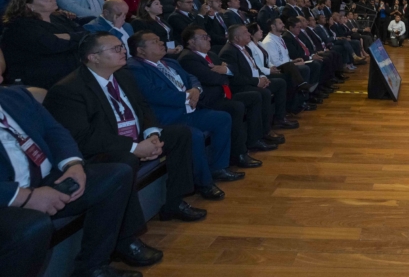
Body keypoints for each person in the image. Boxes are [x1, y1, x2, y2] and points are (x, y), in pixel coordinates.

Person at [44, 33, 205, 225]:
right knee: (125, 159)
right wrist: (135, 148)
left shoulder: (123, 75)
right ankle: (128, 236)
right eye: (116, 49)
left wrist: (152, 134)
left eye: (122, 47)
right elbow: (84, 138)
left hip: (134, 137)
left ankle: (175, 202)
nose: (123, 52)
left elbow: (142, 107)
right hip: (104, 148)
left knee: (180, 134)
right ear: (93, 57)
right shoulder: (68, 89)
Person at [0, 84, 151, 277]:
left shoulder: (16, 95)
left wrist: (72, 165)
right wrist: (24, 197)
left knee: (117, 174)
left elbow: (54, 131)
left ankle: (92, 267)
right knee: (32, 226)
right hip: (7, 197)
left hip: (43, 180)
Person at [125, 31, 242, 198]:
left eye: (160, 39)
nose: (161, 43)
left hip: (190, 111)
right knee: (193, 136)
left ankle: (219, 167)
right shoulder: (136, 68)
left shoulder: (170, 62)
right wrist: (187, 96)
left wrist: (195, 89)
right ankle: (204, 183)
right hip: (168, 118)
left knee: (222, 118)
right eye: (155, 41)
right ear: (140, 50)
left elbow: (192, 77)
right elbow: (154, 94)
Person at [179, 26, 269, 167]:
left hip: (223, 94)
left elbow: (232, 70)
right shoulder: (188, 58)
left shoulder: (212, 55)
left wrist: (225, 70)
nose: (209, 39)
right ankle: (238, 154)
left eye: (208, 36)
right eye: (204, 37)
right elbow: (209, 78)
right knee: (236, 107)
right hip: (208, 101)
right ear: (191, 42)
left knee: (254, 97)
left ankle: (254, 139)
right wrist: (224, 74)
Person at [1, 0, 85, 88]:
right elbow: (52, 45)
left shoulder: (59, 18)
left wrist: (67, 36)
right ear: (29, 6)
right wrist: (75, 39)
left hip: (69, 72)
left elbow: (86, 35)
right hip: (39, 79)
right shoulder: (19, 26)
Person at [220, 24, 292, 137]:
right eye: (245, 32)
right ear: (236, 38)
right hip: (241, 86)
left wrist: (262, 77)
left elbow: (254, 67)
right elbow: (236, 78)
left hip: (253, 80)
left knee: (280, 83)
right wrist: (257, 82)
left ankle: (279, 118)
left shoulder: (245, 48)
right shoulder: (229, 52)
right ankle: (263, 132)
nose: (249, 33)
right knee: (263, 93)